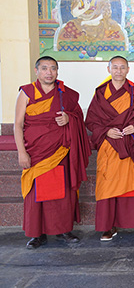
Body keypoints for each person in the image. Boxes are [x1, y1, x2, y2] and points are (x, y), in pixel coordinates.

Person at [14, 56, 91, 249]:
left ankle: (64, 229)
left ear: (57, 71)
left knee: (62, 194)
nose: (49, 72)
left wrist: (69, 119)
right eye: (45, 68)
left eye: (53, 69)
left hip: (60, 151)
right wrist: (21, 153)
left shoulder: (66, 94)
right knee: (36, 194)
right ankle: (36, 234)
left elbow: (78, 119)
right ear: (36, 71)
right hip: (36, 151)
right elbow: (18, 124)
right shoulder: (26, 92)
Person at [86, 56, 134, 241]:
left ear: (128, 69)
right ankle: (108, 227)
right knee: (108, 184)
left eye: (122, 68)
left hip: (132, 145)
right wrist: (105, 131)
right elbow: (92, 121)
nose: (119, 71)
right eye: (115, 67)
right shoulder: (100, 93)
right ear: (108, 69)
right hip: (109, 146)